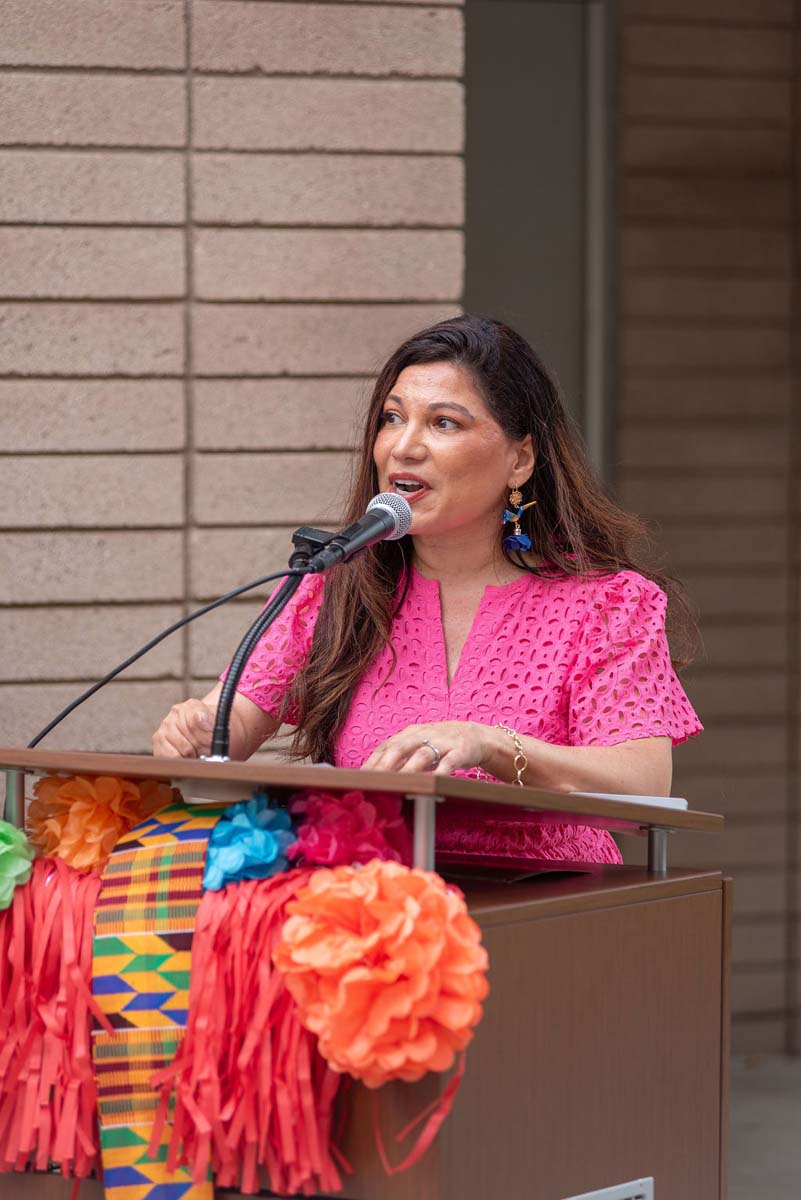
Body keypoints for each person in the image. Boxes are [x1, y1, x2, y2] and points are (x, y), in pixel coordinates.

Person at [152, 316, 702, 863]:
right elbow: (232, 726)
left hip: (547, 915)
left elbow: (644, 787)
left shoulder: (607, 604)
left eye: (443, 424)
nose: (404, 447)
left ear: (521, 459)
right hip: (369, 914)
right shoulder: (332, 584)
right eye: (393, 418)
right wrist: (198, 732)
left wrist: (490, 746)